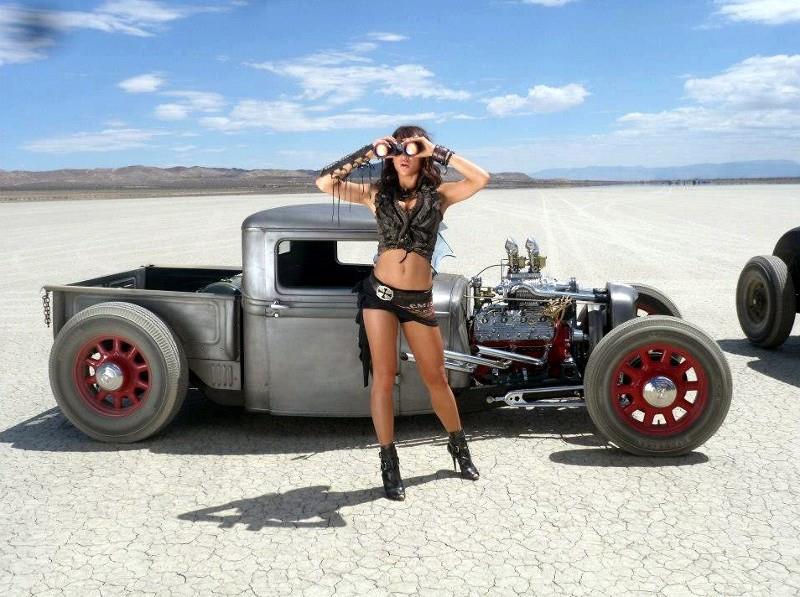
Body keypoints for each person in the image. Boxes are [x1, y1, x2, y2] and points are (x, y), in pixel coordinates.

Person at [315, 125, 491, 500]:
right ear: (390, 158)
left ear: (422, 154)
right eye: (397, 150)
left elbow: (481, 179)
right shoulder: (375, 194)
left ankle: (458, 445)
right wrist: (369, 151)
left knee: (436, 378)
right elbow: (325, 183)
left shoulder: (440, 196)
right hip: (379, 296)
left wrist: (436, 150)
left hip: (418, 299)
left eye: (411, 149)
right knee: (384, 376)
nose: (403, 156)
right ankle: (389, 462)